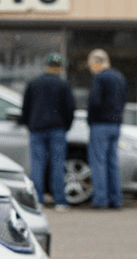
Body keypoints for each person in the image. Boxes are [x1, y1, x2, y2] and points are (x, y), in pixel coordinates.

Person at [20, 52, 76, 211]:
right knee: (58, 165)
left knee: (37, 165)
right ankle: (60, 201)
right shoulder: (63, 84)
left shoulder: (34, 83)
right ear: (60, 68)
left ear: (46, 66)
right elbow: (70, 108)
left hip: (37, 129)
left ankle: (38, 200)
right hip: (57, 129)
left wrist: (30, 124)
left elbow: (26, 107)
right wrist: (66, 126)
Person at [86, 49, 126, 209]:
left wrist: (90, 121)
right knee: (113, 162)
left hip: (100, 124)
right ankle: (116, 199)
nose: (90, 68)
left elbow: (94, 102)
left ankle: (100, 200)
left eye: (91, 64)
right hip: (115, 124)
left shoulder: (99, 78)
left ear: (96, 63)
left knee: (98, 162)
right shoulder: (119, 77)